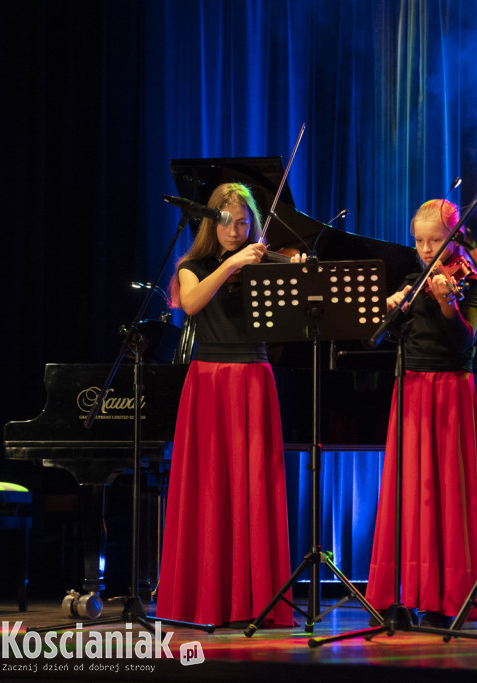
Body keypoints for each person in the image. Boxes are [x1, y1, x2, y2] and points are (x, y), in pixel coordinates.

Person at [156, 182, 297, 628]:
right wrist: (232, 264)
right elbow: (193, 303)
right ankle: (207, 598)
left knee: (255, 483)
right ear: (211, 223)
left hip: (254, 379)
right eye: (228, 223)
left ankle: (255, 599)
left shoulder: (260, 264)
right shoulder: (192, 266)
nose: (237, 231)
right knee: (211, 486)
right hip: (209, 383)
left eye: (244, 223)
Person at [365, 199, 477, 629]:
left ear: (454, 237)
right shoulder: (414, 277)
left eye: (435, 240)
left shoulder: (471, 283)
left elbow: (462, 343)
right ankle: (402, 591)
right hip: (411, 388)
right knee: (408, 491)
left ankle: (448, 597)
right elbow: (388, 339)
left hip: (450, 390)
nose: (425, 248)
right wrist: (393, 307)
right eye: (419, 240)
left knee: (447, 491)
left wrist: (446, 306)